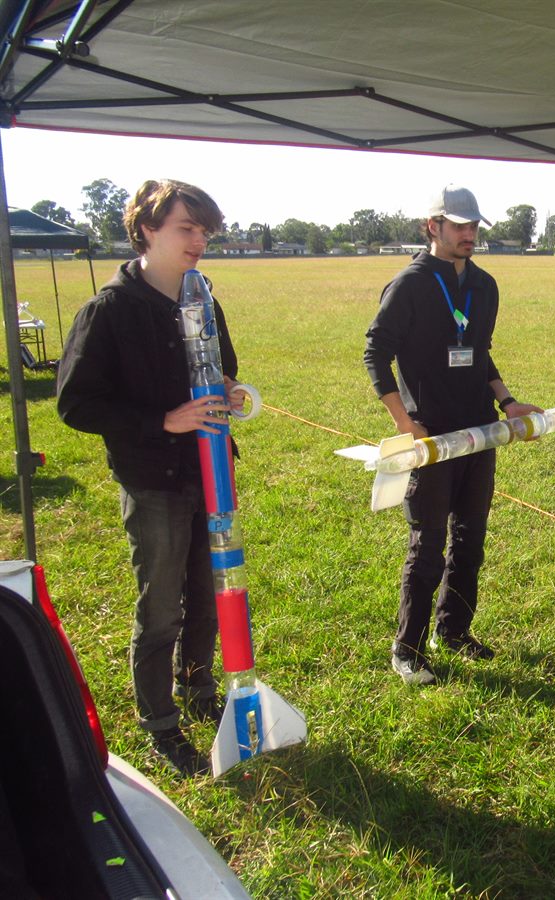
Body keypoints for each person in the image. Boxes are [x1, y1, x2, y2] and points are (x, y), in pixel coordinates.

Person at [57, 179, 248, 777]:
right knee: (161, 607)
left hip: (210, 474)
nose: (199, 241)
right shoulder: (108, 311)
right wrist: (163, 420)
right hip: (152, 482)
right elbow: (76, 403)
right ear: (147, 229)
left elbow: (223, 369)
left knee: (210, 595)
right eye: (186, 228)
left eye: (205, 231)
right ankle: (160, 723)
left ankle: (198, 689)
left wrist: (232, 392)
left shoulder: (203, 299)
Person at [363, 185, 541, 686]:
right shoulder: (409, 284)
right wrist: (405, 422)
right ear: (433, 226)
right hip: (432, 438)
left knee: (470, 539)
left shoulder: (484, 286)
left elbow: (480, 352)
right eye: (459, 225)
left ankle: (454, 630)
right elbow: (376, 354)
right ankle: (408, 649)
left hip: (480, 431)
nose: (469, 234)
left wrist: (507, 402)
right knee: (428, 545)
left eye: (474, 225)